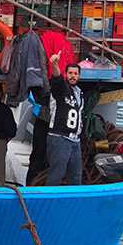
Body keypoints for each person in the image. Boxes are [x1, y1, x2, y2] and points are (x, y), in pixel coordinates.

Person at [45, 53, 84, 186]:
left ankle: (73, 203)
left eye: (75, 73)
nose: (73, 76)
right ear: (66, 74)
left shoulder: (79, 93)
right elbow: (57, 79)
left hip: (75, 140)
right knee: (56, 175)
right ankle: (49, 202)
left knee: (76, 176)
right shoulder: (61, 89)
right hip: (60, 137)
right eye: (70, 73)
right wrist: (55, 64)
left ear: (79, 76)